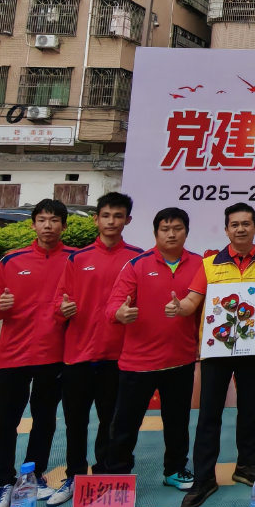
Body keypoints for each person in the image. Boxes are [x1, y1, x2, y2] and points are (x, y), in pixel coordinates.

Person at [170, 203, 255, 507]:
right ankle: (204, 478)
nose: (240, 229)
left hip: (252, 348)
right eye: (235, 224)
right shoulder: (209, 265)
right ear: (226, 230)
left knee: (249, 408)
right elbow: (192, 301)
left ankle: (247, 466)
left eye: (246, 223)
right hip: (216, 350)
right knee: (209, 413)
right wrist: (179, 308)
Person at [0, 200, 73, 507]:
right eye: (42, 220)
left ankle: (33, 476)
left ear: (63, 226)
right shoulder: (11, 260)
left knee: (44, 419)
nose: (48, 225)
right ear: (33, 225)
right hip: (12, 355)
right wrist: (0, 305)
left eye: (54, 220)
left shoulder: (75, 259)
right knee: (4, 422)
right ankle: (2, 483)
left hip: (53, 354)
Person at [49, 192, 143, 505]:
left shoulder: (137, 259)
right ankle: (74, 476)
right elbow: (59, 302)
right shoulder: (77, 259)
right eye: (106, 215)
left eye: (118, 216)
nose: (111, 221)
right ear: (96, 220)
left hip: (118, 356)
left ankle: (105, 476)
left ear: (128, 220)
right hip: (77, 355)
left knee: (111, 422)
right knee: (75, 422)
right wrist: (62, 309)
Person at [102, 207, 202, 489]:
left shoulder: (200, 264)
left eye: (177, 229)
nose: (171, 234)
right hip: (138, 362)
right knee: (126, 424)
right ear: (156, 233)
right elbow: (113, 306)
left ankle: (175, 470)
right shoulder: (136, 265)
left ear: (186, 232)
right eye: (165, 229)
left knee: (177, 422)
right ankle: (118, 475)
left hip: (180, 360)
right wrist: (121, 313)